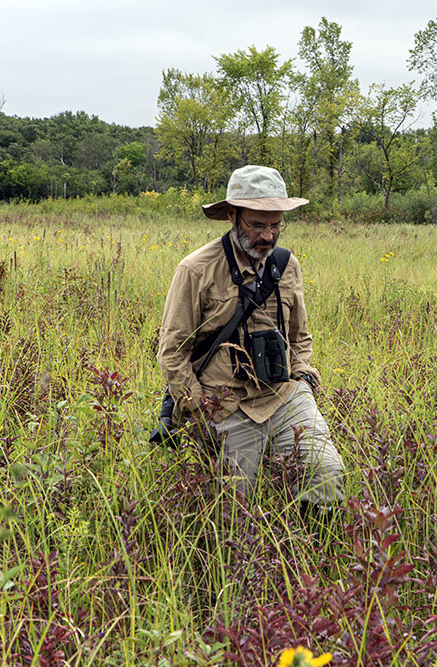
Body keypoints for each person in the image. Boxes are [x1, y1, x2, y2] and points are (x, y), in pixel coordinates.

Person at [157, 165, 344, 520]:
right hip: (225, 405)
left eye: (275, 225)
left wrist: (301, 375)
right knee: (232, 513)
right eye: (258, 225)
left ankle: (313, 556)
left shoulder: (286, 265)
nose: (269, 236)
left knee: (327, 476)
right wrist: (198, 408)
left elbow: (300, 335)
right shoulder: (196, 270)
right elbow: (171, 352)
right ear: (232, 215)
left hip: (284, 396)